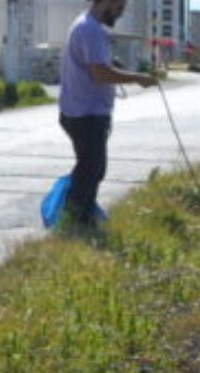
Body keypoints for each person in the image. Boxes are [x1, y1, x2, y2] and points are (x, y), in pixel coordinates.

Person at [59, 0, 158, 229]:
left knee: (92, 168)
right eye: (119, 9)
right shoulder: (90, 29)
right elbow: (100, 73)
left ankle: (80, 217)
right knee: (90, 169)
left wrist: (110, 62)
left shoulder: (87, 26)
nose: (120, 14)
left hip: (82, 111)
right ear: (107, 2)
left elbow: (96, 64)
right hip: (86, 113)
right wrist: (137, 78)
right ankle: (75, 223)